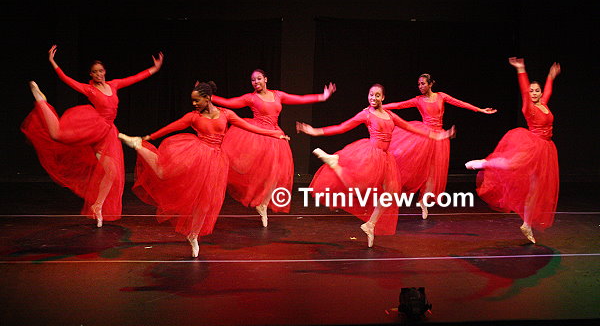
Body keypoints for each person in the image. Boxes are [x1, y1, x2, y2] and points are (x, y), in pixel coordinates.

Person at [119, 81, 289, 258]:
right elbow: (171, 128)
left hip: (216, 161)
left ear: (207, 98)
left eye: (197, 100)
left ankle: (193, 235)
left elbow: (251, 127)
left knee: (207, 203)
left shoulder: (226, 114)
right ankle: (138, 145)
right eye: (192, 101)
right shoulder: (193, 117)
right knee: (163, 172)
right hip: (196, 154)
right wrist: (149, 137)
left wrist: (275, 134)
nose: (194, 104)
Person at [296, 84, 454, 247]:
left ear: (383, 98)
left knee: (391, 194)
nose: (373, 98)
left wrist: (436, 136)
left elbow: (410, 128)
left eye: (377, 95)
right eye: (371, 95)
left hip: (386, 159)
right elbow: (342, 127)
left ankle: (370, 224)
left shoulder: (390, 115)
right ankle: (335, 165)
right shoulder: (366, 114)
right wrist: (315, 131)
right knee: (359, 188)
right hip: (371, 155)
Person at [22, 45, 163, 227]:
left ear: (105, 72)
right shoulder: (90, 90)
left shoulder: (114, 84)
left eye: (101, 71)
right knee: (56, 134)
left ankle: (98, 205)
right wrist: (53, 62)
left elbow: (135, 78)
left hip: (109, 133)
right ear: (91, 74)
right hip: (94, 128)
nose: (98, 74)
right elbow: (67, 80)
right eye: (95, 72)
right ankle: (42, 101)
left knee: (112, 173)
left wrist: (154, 69)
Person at [211, 69, 336, 227]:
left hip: (275, 136)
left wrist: (322, 96)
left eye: (259, 79)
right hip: (257, 135)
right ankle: (255, 197)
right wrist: (209, 96)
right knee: (258, 171)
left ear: (266, 79)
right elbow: (229, 102)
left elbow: (300, 99)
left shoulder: (278, 95)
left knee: (276, 172)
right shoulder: (250, 98)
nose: (256, 82)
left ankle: (263, 203)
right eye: (253, 80)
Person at [465, 58, 560, 244]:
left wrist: (551, 76)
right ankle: (485, 163)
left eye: (536, 90)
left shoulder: (543, 103)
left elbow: (548, 91)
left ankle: (527, 224)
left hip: (547, 149)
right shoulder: (528, 107)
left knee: (534, 190)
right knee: (511, 165)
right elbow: (524, 91)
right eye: (531, 91)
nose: (533, 93)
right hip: (533, 145)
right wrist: (521, 69)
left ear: (541, 93)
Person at [382, 74, 496, 219]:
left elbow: (460, 103)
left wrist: (480, 109)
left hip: (440, 138)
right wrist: (379, 106)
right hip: (425, 135)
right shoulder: (418, 100)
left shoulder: (441, 96)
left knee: (433, 172)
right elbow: (399, 105)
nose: (420, 86)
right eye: (419, 84)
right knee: (415, 166)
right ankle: (392, 186)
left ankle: (423, 201)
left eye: (423, 83)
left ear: (430, 84)